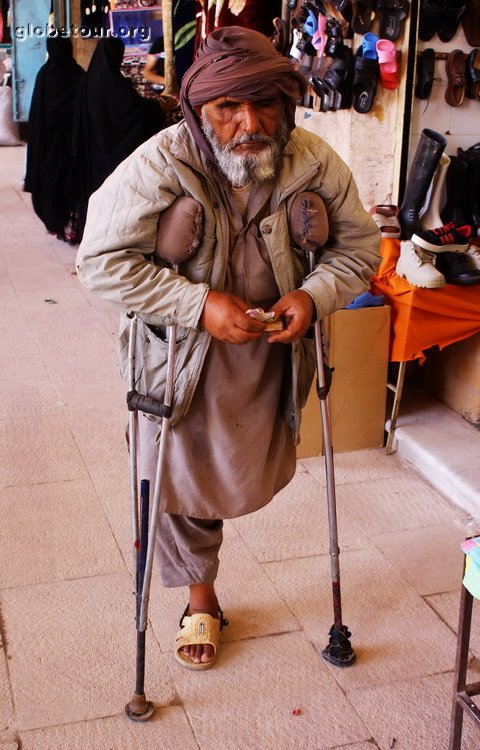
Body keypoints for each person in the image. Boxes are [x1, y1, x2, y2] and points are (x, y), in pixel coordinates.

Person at [76, 26, 380, 670]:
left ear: (287, 102)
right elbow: (100, 264)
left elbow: (359, 249)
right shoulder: (161, 162)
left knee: (240, 473)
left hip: (270, 357)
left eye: (266, 103)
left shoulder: (312, 161)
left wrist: (316, 294)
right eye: (228, 108)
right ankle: (200, 602)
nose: (250, 123)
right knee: (174, 482)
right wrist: (200, 304)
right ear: (198, 108)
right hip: (178, 361)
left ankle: (203, 584)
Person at [71, 37, 167, 238]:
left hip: (92, 152)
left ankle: (90, 231)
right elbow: (139, 113)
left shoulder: (84, 83)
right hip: (114, 158)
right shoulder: (119, 86)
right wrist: (159, 106)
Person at [24, 36, 84, 242]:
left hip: (48, 144)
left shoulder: (45, 74)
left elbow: (36, 112)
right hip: (72, 143)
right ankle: (70, 225)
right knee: (70, 183)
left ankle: (57, 224)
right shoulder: (77, 74)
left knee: (52, 184)